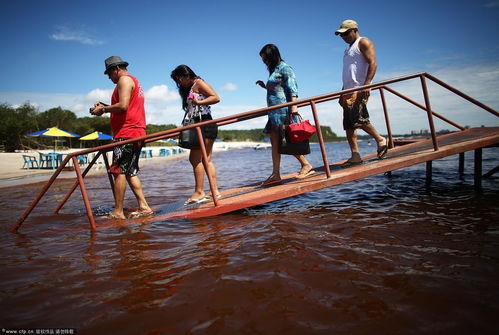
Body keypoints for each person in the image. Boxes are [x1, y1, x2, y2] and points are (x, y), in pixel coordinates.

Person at [90, 56, 153, 219]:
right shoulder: (133, 81)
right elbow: (126, 104)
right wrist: (104, 106)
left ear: (116, 69)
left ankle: (118, 212)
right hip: (137, 131)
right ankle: (144, 206)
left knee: (118, 171)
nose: (109, 77)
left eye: (109, 74)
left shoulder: (124, 80)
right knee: (130, 171)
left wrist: (103, 111)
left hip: (127, 133)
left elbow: (123, 106)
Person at [256, 44, 314, 185]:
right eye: (263, 60)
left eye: (266, 59)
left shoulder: (285, 68)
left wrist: (293, 108)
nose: (265, 62)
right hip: (273, 112)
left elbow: (293, 89)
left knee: (286, 141)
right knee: (275, 144)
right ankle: (275, 174)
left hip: (284, 111)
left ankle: (306, 165)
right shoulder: (274, 70)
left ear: (273, 55)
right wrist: (265, 86)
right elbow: (278, 89)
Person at [335, 19, 388, 165]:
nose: (343, 37)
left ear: (354, 30)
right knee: (349, 125)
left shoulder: (363, 42)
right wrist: (342, 91)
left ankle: (380, 139)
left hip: (359, 88)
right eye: (341, 35)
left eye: (346, 33)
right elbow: (348, 72)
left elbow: (373, 62)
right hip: (347, 90)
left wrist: (367, 84)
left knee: (359, 119)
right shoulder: (348, 49)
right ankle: (355, 155)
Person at [170, 65, 221, 205]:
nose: (179, 83)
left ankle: (199, 192)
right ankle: (214, 190)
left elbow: (216, 98)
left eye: (179, 79)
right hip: (204, 124)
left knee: (195, 158)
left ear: (186, 75)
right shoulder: (192, 86)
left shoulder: (199, 83)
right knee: (206, 160)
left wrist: (199, 102)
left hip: (204, 124)